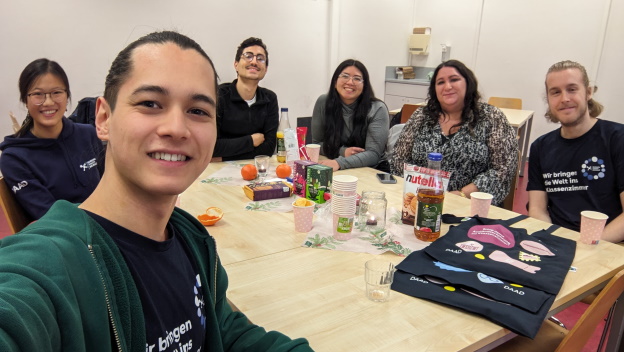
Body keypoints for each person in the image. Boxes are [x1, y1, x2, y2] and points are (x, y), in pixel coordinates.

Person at [0, 31, 312, 351]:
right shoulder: (51, 265)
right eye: (150, 103)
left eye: (198, 111)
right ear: (104, 119)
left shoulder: (193, 239)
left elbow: (223, 328)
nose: (176, 128)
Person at [390, 59, 517, 206]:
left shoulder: (491, 117)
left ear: (468, 83)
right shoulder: (421, 116)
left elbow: (503, 170)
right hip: (421, 202)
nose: (447, 86)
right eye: (440, 82)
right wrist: (418, 191)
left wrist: (461, 194)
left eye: (454, 79)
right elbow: (398, 160)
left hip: (471, 205)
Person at [527, 60, 624, 242]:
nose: (564, 98)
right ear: (548, 99)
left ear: (588, 92)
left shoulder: (618, 139)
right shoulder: (540, 147)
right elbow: (537, 209)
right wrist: (548, 240)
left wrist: (586, 247)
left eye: (572, 89)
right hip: (557, 241)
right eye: (555, 92)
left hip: (608, 244)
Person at [0, 58, 103, 220]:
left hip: (108, 223)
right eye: (37, 94)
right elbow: (49, 216)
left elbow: (111, 186)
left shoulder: (88, 134)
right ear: (25, 100)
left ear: (67, 95)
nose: (48, 102)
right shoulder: (14, 158)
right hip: (66, 235)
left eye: (56, 92)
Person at [311, 59, 390, 171]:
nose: (350, 82)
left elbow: (373, 154)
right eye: (345, 76)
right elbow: (316, 145)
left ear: (364, 86)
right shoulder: (323, 102)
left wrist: (339, 162)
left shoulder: (377, 109)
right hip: (334, 164)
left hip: (371, 169)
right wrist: (342, 152)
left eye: (357, 79)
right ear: (335, 81)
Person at [211, 37, 278, 161]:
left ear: (266, 69)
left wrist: (222, 157)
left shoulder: (270, 98)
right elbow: (212, 146)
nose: (254, 62)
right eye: (248, 56)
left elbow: (268, 149)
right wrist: (251, 141)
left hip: (256, 169)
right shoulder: (219, 95)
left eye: (260, 58)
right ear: (236, 64)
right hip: (218, 172)